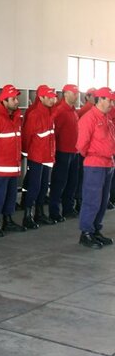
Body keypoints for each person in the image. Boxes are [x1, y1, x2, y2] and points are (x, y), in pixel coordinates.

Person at [76, 87, 115, 248]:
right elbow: (81, 145)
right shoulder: (89, 118)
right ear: (101, 100)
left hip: (108, 163)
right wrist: (95, 154)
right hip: (95, 164)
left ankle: (95, 230)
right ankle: (86, 232)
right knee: (92, 200)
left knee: (103, 200)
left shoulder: (107, 118)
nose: (112, 103)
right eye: (110, 100)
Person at [0, 85, 25, 236]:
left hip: (14, 166)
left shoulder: (15, 118)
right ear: (4, 101)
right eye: (13, 99)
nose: (16, 101)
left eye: (16, 98)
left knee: (11, 195)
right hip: (1, 166)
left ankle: (8, 220)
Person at [21, 85, 57, 228]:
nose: (52, 99)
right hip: (37, 156)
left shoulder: (50, 113)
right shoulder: (35, 114)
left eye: (53, 97)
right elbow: (27, 136)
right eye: (48, 97)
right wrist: (26, 153)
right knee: (34, 186)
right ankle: (27, 215)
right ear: (41, 98)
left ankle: (39, 213)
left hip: (48, 156)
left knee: (43, 187)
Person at [49, 84, 79, 221]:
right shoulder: (59, 111)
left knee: (72, 182)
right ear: (66, 94)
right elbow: (54, 133)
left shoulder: (73, 111)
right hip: (62, 152)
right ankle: (54, 212)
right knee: (59, 183)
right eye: (74, 93)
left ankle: (68, 208)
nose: (76, 95)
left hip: (74, 152)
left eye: (77, 93)